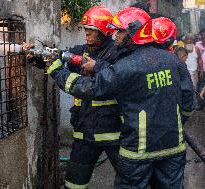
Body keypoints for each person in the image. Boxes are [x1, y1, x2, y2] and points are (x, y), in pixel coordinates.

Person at [47, 7, 194, 189]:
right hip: (173, 148)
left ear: (133, 32)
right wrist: (174, 124)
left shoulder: (127, 66)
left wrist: (56, 70)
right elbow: (189, 104)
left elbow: (89, 88)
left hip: (138, 153)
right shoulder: (173, 61)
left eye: (119, 31)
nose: (115, 35)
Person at [25, 6, 122, 189]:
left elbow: (103, 83)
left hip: (113, 133)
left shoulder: (116, 55)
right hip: (84, 131)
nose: (87, 34)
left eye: (92, 31)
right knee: (74, 182)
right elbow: (59, 60)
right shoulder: (81, 50)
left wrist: (97, 66)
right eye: (86, 30)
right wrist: (38, 58)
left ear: (104, 32)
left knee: (130, 180)